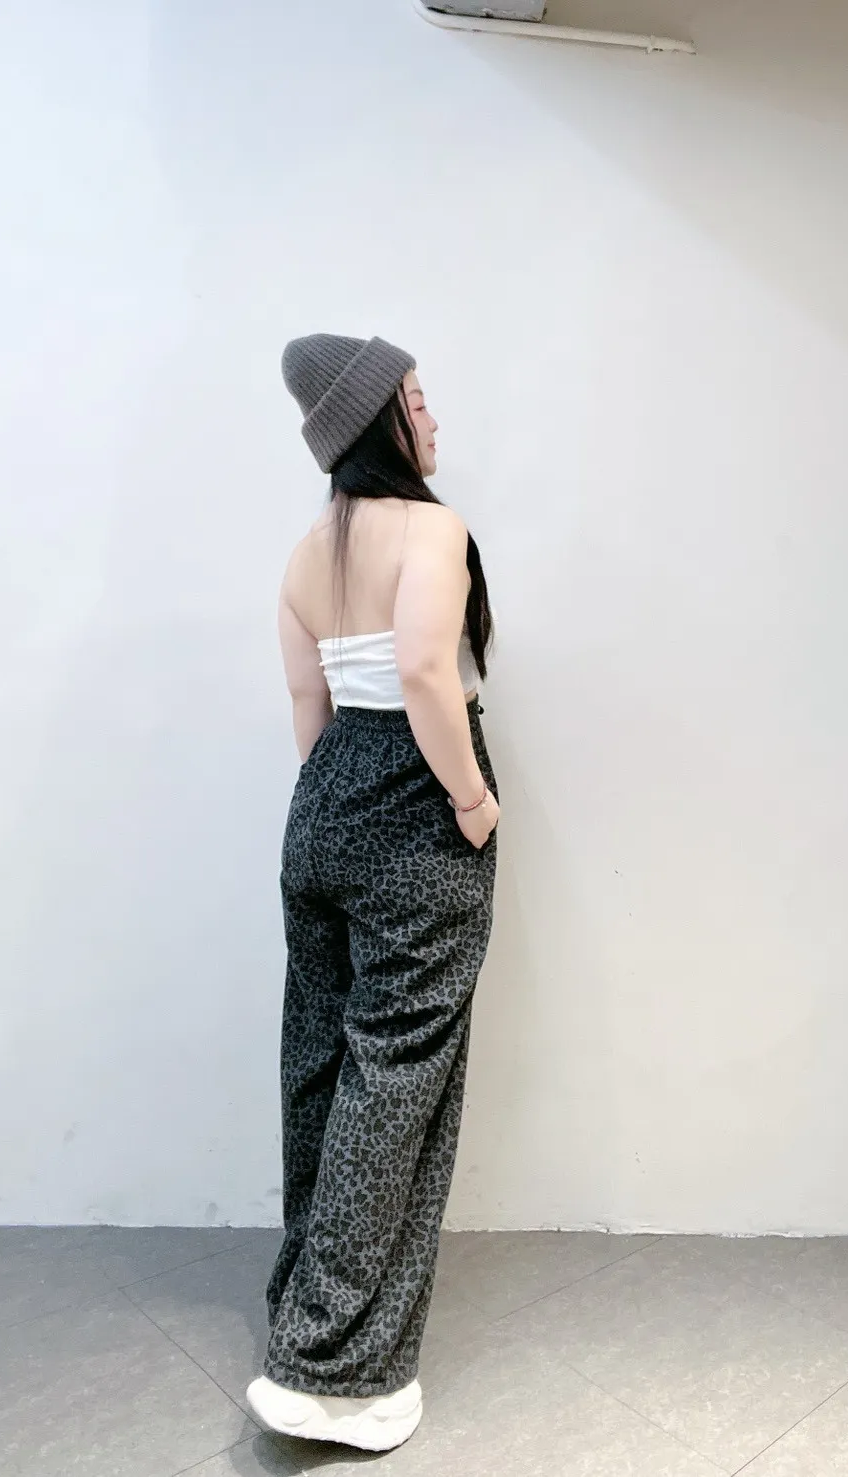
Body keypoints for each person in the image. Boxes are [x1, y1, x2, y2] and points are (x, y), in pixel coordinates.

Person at [245, 334, 500, 1453]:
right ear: (379, 424)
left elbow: (310, 713)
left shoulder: (306, 554)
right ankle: (334, 1371)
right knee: (397, 1077)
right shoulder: (433, 531)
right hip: (414, 806)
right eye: (418, 399)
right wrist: (473, 802)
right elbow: (425, 672)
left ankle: (301, 1312)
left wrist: (335, 817)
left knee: (323, 1059)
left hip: (322, 810)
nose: (432, 417)